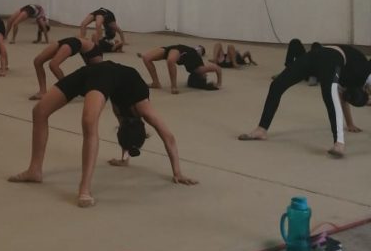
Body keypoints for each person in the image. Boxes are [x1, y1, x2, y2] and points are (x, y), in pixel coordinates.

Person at [8, 61, 197, 207]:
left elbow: (128, 132)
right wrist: (177, 172)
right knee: (42, 111)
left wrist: (124, 159)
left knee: (82, 120)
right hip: (104, 74)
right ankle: (35, 170)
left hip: (97, 72)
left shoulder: (127, 117)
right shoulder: (144, 109)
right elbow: (168, 137)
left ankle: (84, 188)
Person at [239, 41, 371, 158]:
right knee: (280, 85)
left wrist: (350, 124)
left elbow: (342, 99)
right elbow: (342, 99)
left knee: (279, 85)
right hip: (329, 56)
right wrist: (351, 122)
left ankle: (339, 142)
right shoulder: (363, 74)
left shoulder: (351, 81)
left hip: (319, 56)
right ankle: (261, 130)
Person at [30, 36, 121, 99]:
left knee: (53, 65)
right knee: (38, 61)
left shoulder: (97, 53)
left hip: (85, 47)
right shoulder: (99, 48)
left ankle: (68, 89)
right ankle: (43, 91)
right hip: (71, 42)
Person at [139, 44, 222, 93]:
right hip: (182, 50)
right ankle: (157, 83)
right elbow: (217, 68)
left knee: (147, 57)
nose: (206, 75)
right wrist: (219, 83)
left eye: (205, 76)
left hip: (178, 50)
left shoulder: (196, 69)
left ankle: (168, 85)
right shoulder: (199, 69)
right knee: (167, 60)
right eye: (205, 75)